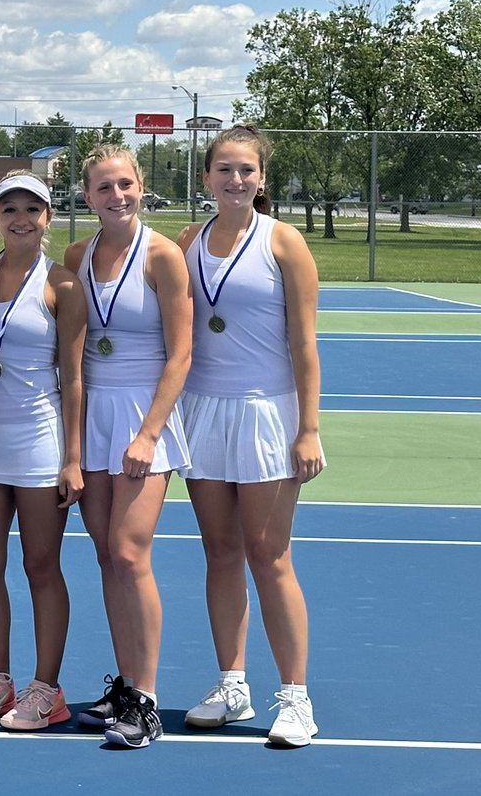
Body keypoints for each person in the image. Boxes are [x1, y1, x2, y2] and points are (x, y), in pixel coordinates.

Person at [176, 124, 325, 747]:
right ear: (206, 177)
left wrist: (308, 428)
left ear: (261, 178)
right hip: (203, 412)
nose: (235, 179)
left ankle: (295, 698)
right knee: (219, 553)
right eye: (224, 169)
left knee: (269, 556)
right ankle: (232, 685)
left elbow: (304, 344)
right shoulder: (187, 241)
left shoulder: (283, 241)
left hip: (268, 414)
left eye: (246, 170)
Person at [63, 145, 192, 748]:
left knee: (129, 552)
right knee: (106, 556)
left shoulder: (163, 256)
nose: (116, 196)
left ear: (141, 186)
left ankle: (147, 700)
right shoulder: (76, 256)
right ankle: (125, 685)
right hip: (94, 416)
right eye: (103, 187)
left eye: (125, 184)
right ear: (87, 196)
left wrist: (149, 433)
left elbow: (181, 354)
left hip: (143, 417)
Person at [0, 172, 86, 731]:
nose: (20, 219)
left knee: (40, 564)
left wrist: (73, 458)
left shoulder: (63, 285)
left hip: (39, 442)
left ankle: (45, 689)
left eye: (32, 209)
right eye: (9, 209)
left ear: (47, 217)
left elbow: (74, 378)